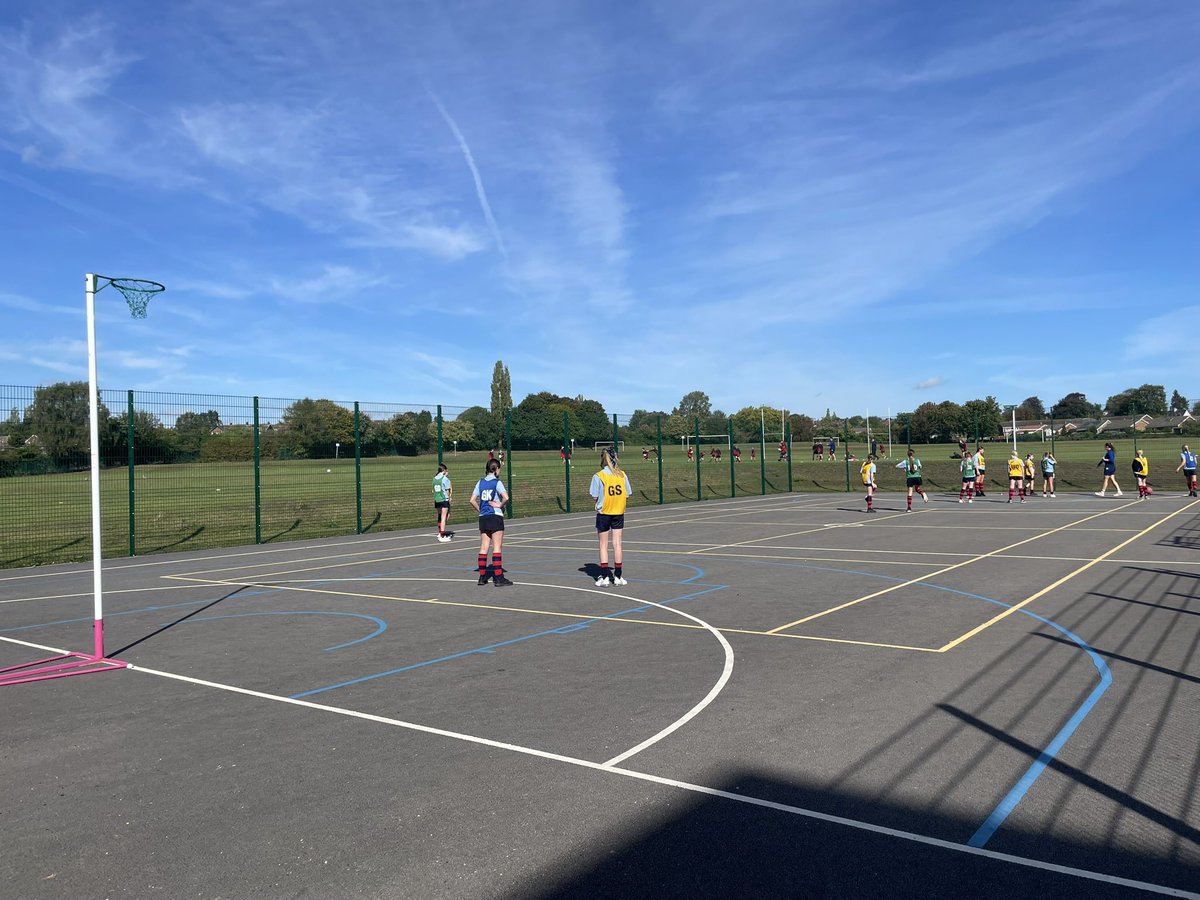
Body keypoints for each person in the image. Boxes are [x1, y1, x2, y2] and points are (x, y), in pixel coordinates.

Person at [589, 447, 632, 586]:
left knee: (603, 545)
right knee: (617, 544)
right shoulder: (622, 475)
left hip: (604, 513)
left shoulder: (599, 476)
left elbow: (594, 496)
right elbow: (627, 494)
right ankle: (618, 576)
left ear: (603, 458)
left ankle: (605, 576)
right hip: (618, 512)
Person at [470, 459, 512, 586]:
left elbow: (472, 500)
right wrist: (499, 505)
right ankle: (498, 577)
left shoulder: (480, 482)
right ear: (496, 469)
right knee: (497, 547)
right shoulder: (497, 482)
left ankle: (482, 577)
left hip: (483, 517)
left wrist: (481, 510)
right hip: (495, 516)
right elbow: (506, 497)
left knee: (483, 547)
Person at [432, 463, 453, 542]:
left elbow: (433, 490)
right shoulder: (445, 479)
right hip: (444, 499)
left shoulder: (434, 479)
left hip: (437, 499)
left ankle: (439, 532)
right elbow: (447, 490)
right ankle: (442, 536)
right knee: (444, 517)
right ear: (443, 470)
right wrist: (449, 498)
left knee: (439, 516)